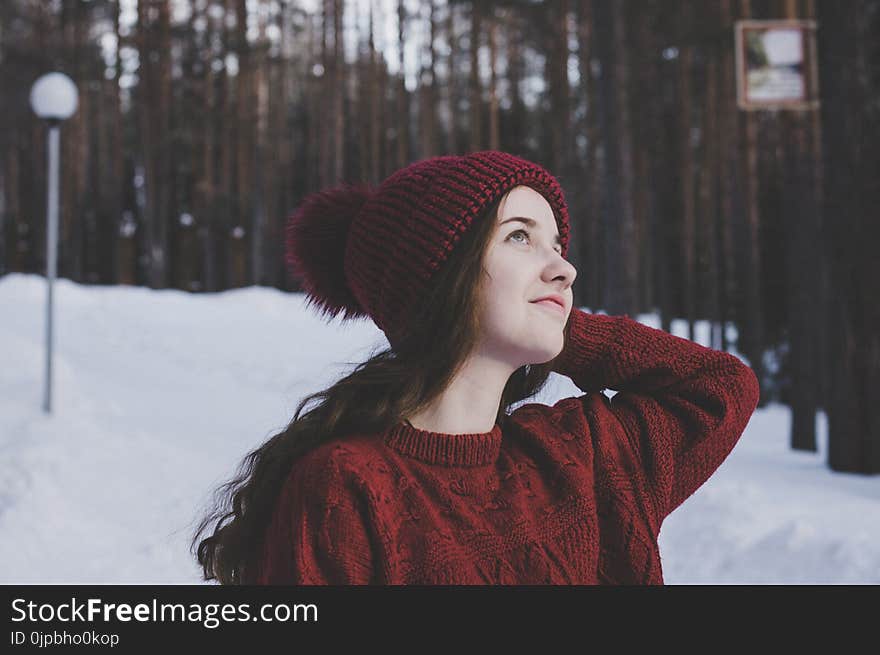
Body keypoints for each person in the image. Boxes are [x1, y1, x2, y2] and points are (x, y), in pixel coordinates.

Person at [191, 150, 760, 585]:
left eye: (557, 245)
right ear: (440, 278)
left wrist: (555, 327)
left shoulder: (585, 456)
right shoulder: (348, 486)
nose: (563, 266)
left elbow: (720, 386)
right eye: (520, 237)